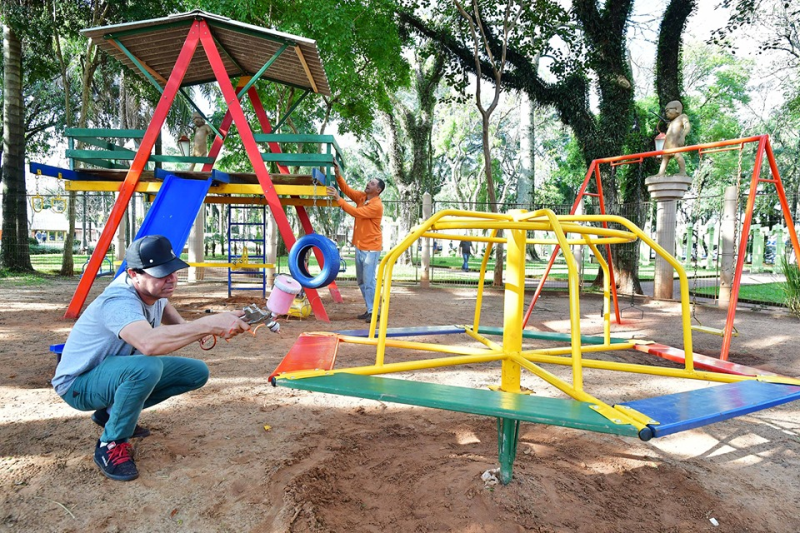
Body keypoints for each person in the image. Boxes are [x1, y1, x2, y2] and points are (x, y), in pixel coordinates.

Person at [52, 235, 250, 482]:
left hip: (112, 374)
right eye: (161, 274)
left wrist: (203, 329)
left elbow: (168, 313)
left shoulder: (154, 292)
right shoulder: (119, 301)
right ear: (133, 274)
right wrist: (207, 324)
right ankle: (110, 444)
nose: (171, 279)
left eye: (173, 271)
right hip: (79, 384)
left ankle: (110, 415)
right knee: (147, 367)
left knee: (196, 372)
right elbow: (148, 343)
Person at [326, 164, 385, 322]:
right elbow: (347, 190)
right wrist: (337, 174)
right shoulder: (362, 197)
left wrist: (338, 199)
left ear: (378, 190)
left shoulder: (376, 206)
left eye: (372, 183)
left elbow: (356, 212)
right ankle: (370, 309)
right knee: (361, 281)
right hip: (360, 246)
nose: (368, 184)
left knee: (369, 281)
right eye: (369, 181)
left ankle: (374, 311)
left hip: (371, 249)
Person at [657, 100, 691, 176]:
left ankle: (682, 172)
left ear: (676, 109)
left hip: (675, 142)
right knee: (665, 158)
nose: (666, 113)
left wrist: (683, 136)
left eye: (668, 110)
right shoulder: (672, 122)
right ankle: (661, 173)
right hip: (668, 143)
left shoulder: (683, 117)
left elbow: (687, 127)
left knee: (677, 155)